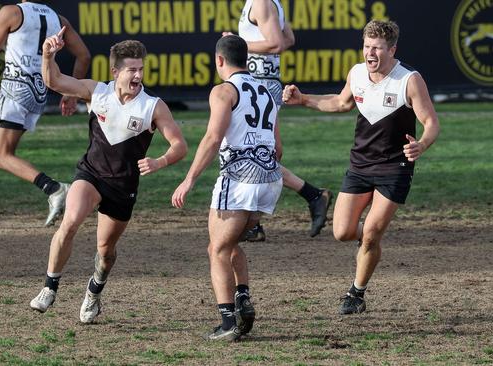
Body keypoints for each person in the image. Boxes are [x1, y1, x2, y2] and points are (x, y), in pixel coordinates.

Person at [283, 20, 440, 315]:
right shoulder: (356, 73)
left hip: (395, 167)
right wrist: (303, 100)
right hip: (360, 164)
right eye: (367, 46)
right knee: (342, 232)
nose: (370, 53)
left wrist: (422, 144)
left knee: (370, 235)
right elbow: (341, 103)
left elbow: (431, 122)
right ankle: (371, 242)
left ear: (392, 50)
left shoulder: (409, 80)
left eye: (377, 48)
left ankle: (356, 293)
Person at [29, 33, 187, 323]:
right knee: (71, 221)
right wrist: (48, 55)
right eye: (132, 69)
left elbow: (180, 145)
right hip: (90, 174)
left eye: (141, 69)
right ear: (116, 71)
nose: (138, 75)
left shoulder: (153, 106)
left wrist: (160, 161)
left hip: (123, 186)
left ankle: (94, 292)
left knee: (105, 251)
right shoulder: (96, 91)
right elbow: (55, 81)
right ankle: (49, 287)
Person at [172, 35, 282, 341]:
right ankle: (243, 298)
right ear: (246, 58)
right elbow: (278, 147)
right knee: (230, 243)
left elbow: (212, 138)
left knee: (217, 249)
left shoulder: (223, 91)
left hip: (239, 180)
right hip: (270, 181)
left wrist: (189, 178)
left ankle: (228, 321)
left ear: (219, 60)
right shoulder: (267, 91)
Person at [0, 0, 91, 229]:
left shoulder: (11, 12)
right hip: (38, 92)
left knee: (1, 156)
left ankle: (53, 188)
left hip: (14, 91)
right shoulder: (58, 19)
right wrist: (71, 94)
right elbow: (84, 56)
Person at [232, 0, 332, 241]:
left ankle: (310, 197)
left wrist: (237, 45)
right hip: (264, 84)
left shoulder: (261, 2)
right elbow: (288, 40)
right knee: (261, 152)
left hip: (260, 85)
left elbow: (277, 43)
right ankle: (311, 197)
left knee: (250, 152)